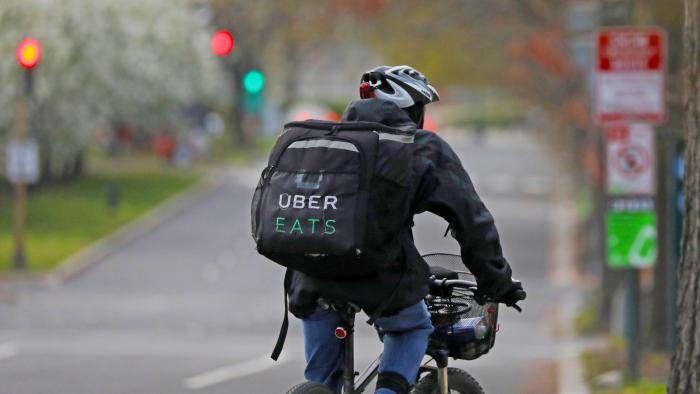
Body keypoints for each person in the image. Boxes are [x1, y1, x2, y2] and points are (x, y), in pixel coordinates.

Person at [286, 65, 524, 394]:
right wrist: (496, 280)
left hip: (311, 275)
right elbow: (471, 219)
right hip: (379, 274)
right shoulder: (419, 146)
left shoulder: (327, 142)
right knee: (411, 328)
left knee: (322, 382)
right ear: (410, 109)